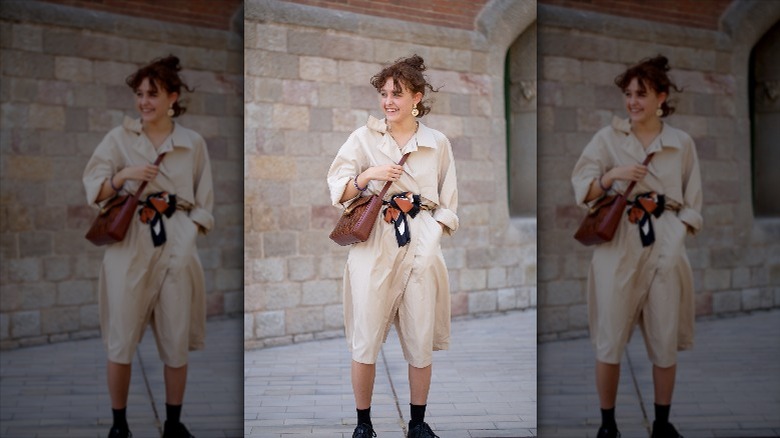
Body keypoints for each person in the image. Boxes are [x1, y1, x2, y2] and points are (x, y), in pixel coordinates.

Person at [327, 55, 458, 438]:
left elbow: (449, 201)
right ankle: (363, 425)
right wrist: (369, 174)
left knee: (420, 337)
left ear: (416, 98)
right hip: (374, 242)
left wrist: (432, 234)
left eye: (397, 94)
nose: (388, 101)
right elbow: (338, 188)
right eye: (384, 93)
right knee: (365, 338)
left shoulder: (437, 143)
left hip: (420, 242)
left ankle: (418, 423)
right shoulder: (362, 138)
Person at [571, 55, 703, 438]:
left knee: (665, 339)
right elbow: (582, 187)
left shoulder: (681, 143)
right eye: (628, 94)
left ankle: (662, 425)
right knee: (609, 339)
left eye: (641, 94)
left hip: (665, 243)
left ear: (661, 97)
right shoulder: (607, 139)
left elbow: (694, 201)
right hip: (618, 243)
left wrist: (677, 234)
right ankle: (607, 426)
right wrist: (612, 175)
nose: (632, 101)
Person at [83, 55, 214, 438]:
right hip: (130, 242)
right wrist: (124, 174)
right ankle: (119, 426)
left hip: (176, 242)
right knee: (120, 339)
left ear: (172, 97)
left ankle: (173, 424)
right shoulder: (118, 139)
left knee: (176, 339)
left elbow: (205, 199)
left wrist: (188, 232)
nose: (144, 101)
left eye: (152, 94)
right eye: (139, 94)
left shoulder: (192, 143)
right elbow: (94, 188)